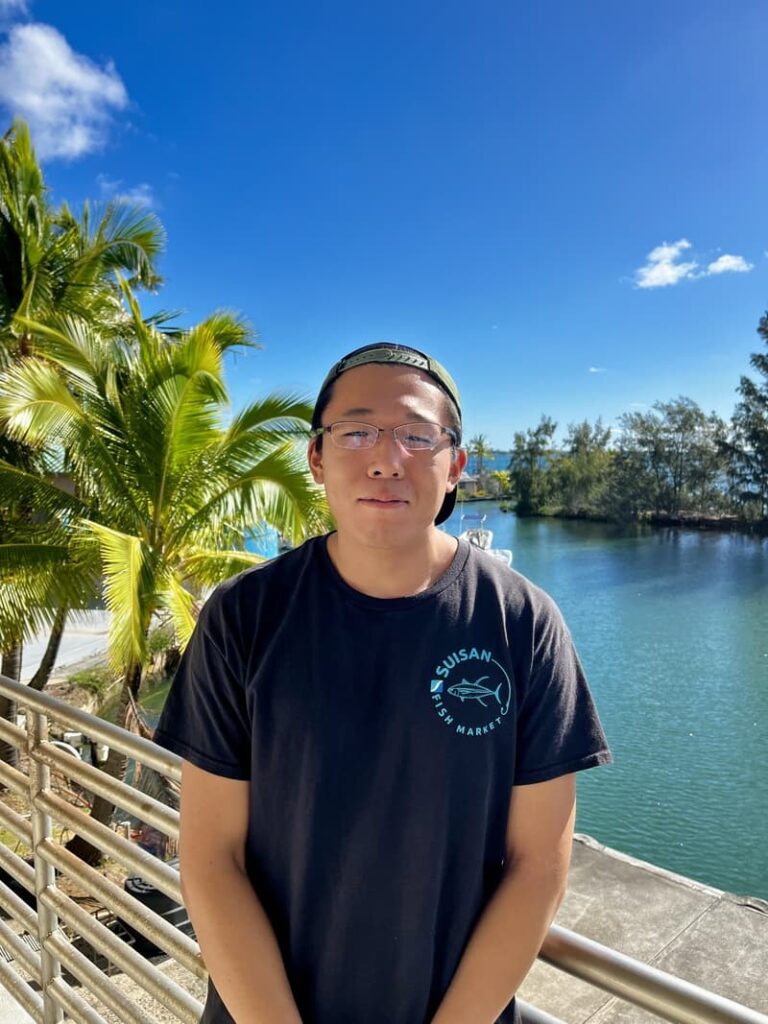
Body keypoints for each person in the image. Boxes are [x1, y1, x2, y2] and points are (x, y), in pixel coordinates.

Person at [154, 342, 612, 1024]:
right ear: (316, 456)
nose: (384, 457)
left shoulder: (523, 623)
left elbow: (538, 866)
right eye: (357, 430)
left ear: (457, 466)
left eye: (417, 436)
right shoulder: (245, 617)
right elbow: (212, 856)